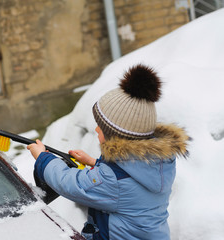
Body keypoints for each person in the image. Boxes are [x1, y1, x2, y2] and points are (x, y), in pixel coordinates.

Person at [27, 64, 189, 240]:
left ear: (117, 137)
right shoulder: (158, 163)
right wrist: (94, 163)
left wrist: (43, 158)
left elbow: (73, 185)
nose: (96, 130)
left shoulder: (113, 181)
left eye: (102, 128)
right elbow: (127, 178)